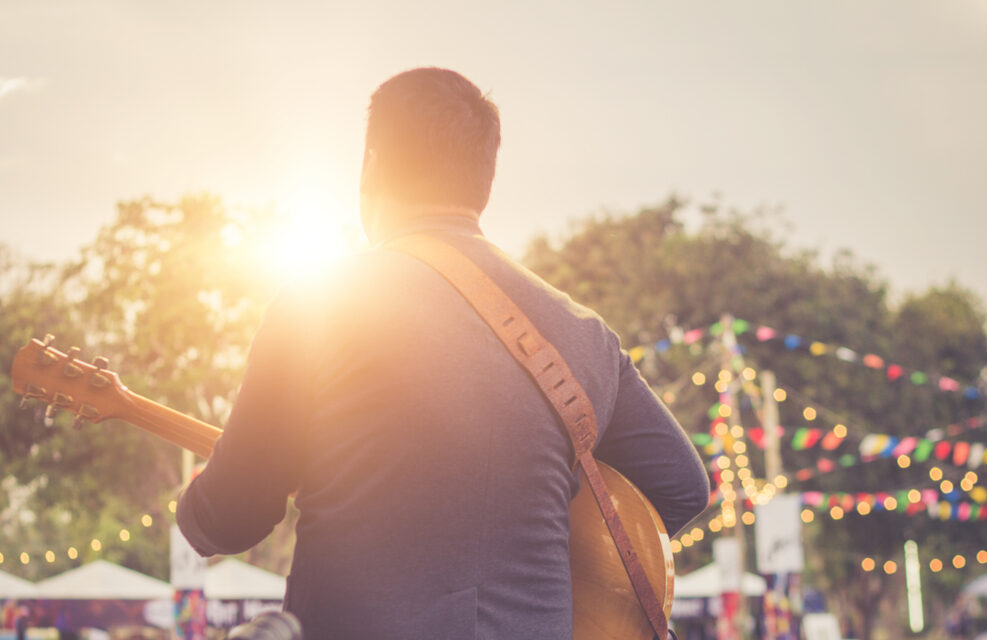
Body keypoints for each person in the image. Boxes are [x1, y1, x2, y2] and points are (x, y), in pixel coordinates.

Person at [177, 67, 709, 639]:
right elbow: (682, 487)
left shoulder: (320, 301)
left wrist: (198, 499)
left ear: (372, 167)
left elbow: (230, 519)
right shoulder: (584, 334)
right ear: (483, 180)